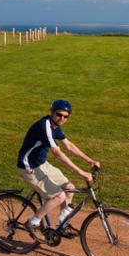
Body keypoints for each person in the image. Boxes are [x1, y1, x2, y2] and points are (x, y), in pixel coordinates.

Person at [17, 100, 99, 242]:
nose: (62, 118)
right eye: (59, 115)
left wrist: (89, 160)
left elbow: (69, 146)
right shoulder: (45, 126)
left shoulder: (56, 126)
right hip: (29, 167)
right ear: (51, 113)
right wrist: (81, 172)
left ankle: (63, 222)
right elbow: (57, 153)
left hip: (42, 164)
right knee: (59, 196)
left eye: (65, 116)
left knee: (70, 188)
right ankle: (33, 222)